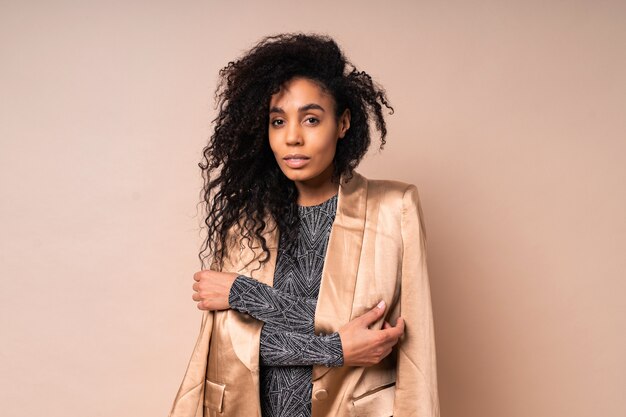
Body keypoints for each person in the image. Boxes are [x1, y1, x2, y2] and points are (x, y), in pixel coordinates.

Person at [169, 33, 439, 417]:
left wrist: (246, 294)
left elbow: (409, 353)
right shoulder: (244, 223)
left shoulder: (395, 208)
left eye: (311, 119)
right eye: (278, 121)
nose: (292, 137)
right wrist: (337, 348)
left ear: (343, 123)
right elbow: (229, 351)